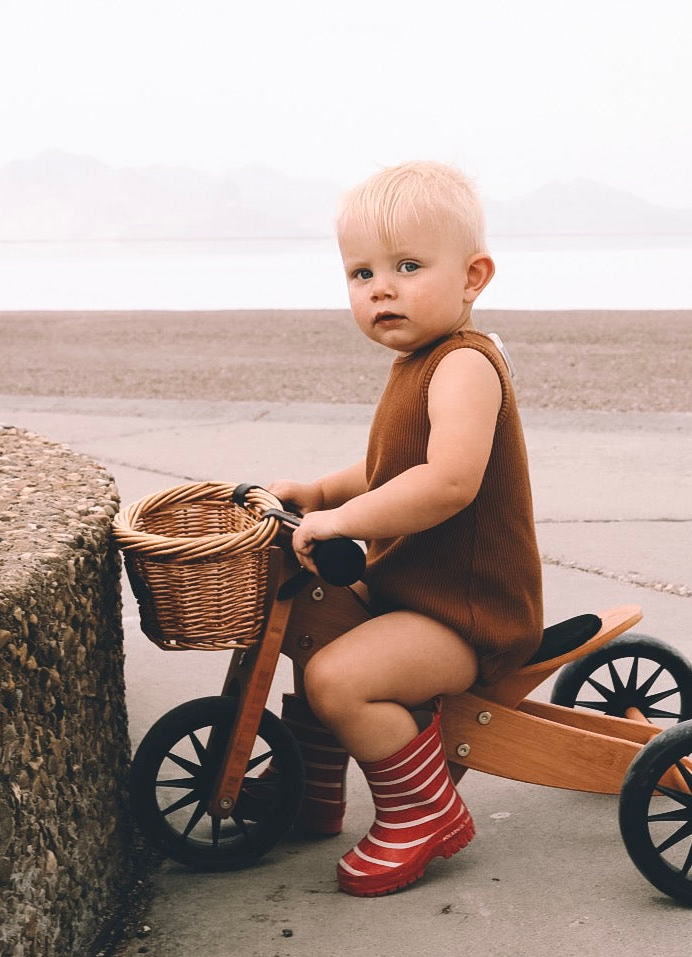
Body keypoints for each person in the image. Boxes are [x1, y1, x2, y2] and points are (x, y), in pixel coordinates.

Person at [268, 160, 543, 897]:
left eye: (408, 266)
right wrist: (319, 492)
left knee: (339, 679)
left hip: (468, 614)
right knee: (310, 622)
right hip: (415, 595)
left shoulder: (464, 366)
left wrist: (341, 519)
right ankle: (313, 784)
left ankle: (424, 810)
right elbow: (389, 467)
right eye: (361, 273)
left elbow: (446, 481)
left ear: (473, 277)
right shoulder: (417, 364)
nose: (380, 288)